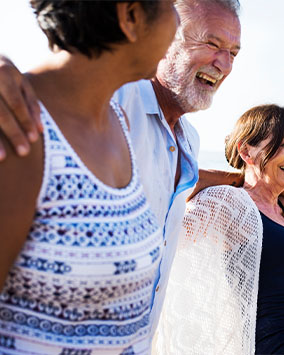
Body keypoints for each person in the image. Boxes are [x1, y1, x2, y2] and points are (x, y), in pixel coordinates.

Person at [0, 0, 178, 353]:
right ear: (130, 16)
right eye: (173, 5)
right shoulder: (22, 132)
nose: (178, 24)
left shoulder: (119, 122)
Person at [161, 104, 284, 354]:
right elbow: (169, 192)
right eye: (283, 143)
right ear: (246, 151)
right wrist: (237, 178)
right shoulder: (231, 202)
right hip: (282, 346)